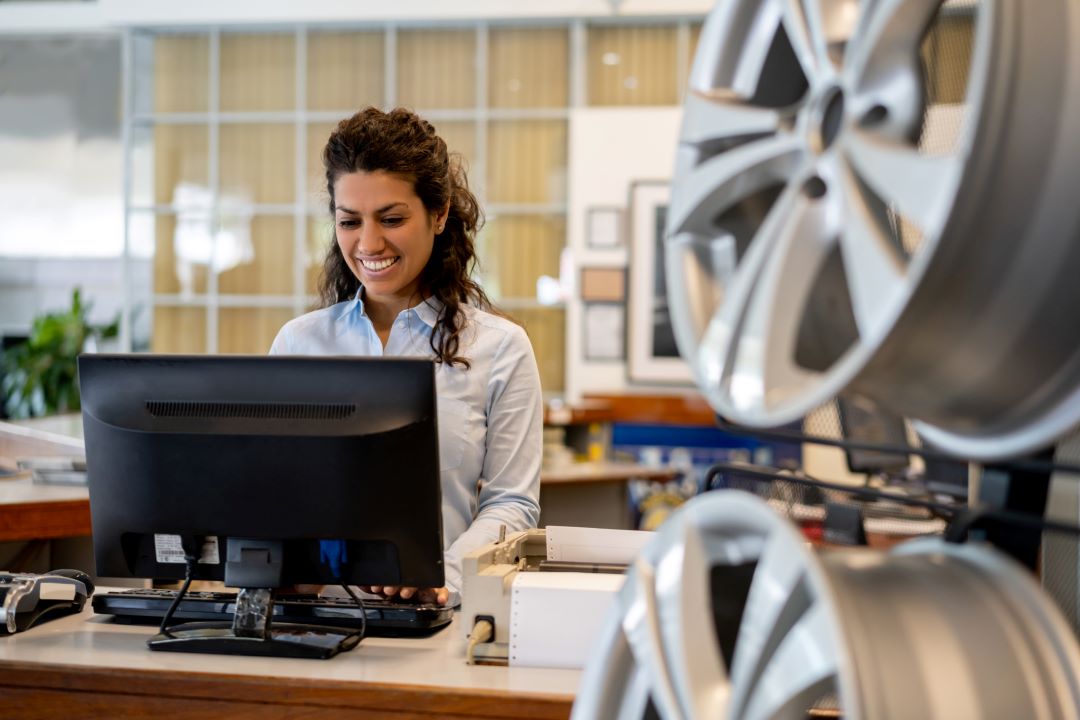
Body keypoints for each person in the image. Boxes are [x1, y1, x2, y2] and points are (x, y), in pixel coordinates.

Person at [269, 107, 543, 605]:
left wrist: (446, 580)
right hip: (308, 620)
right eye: (349, 221)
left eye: (391, 219)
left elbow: (512, 504)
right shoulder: (298, 343)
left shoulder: (500, 348)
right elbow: (272, 492)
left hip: (433, 619)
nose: (369, 242)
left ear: (438, 215)